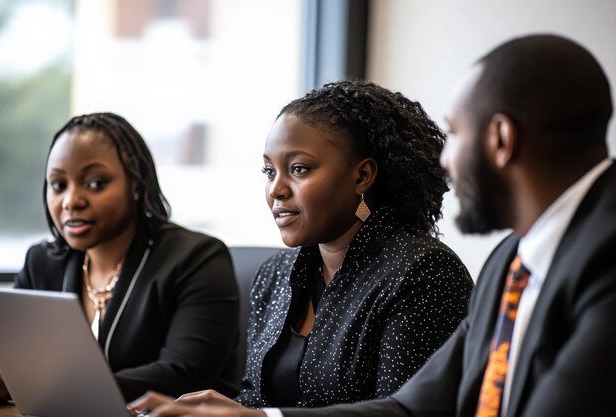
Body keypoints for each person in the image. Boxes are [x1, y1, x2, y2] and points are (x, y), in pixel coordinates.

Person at [136, 34, 616, 417]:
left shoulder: (598, 259)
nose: (445, 161)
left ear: (500, 139)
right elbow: (413, 406)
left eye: (454, 134)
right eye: (269, 171)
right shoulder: (511, 262)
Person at [129, 80, 474, 414]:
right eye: (269, 171)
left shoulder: (422, 273)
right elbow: (256, 402)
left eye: (298, 169)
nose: (276, 190)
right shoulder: (274, 275)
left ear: (362, 176)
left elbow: (403, 412)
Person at [0, 113, 240, 404]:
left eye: (95, 183)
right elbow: (8, 358)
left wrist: (44, 386)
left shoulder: (196, 259)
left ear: (135, 183)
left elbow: (183, 374)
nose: (71, 200)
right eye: (58, 185)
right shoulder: (42, 263)